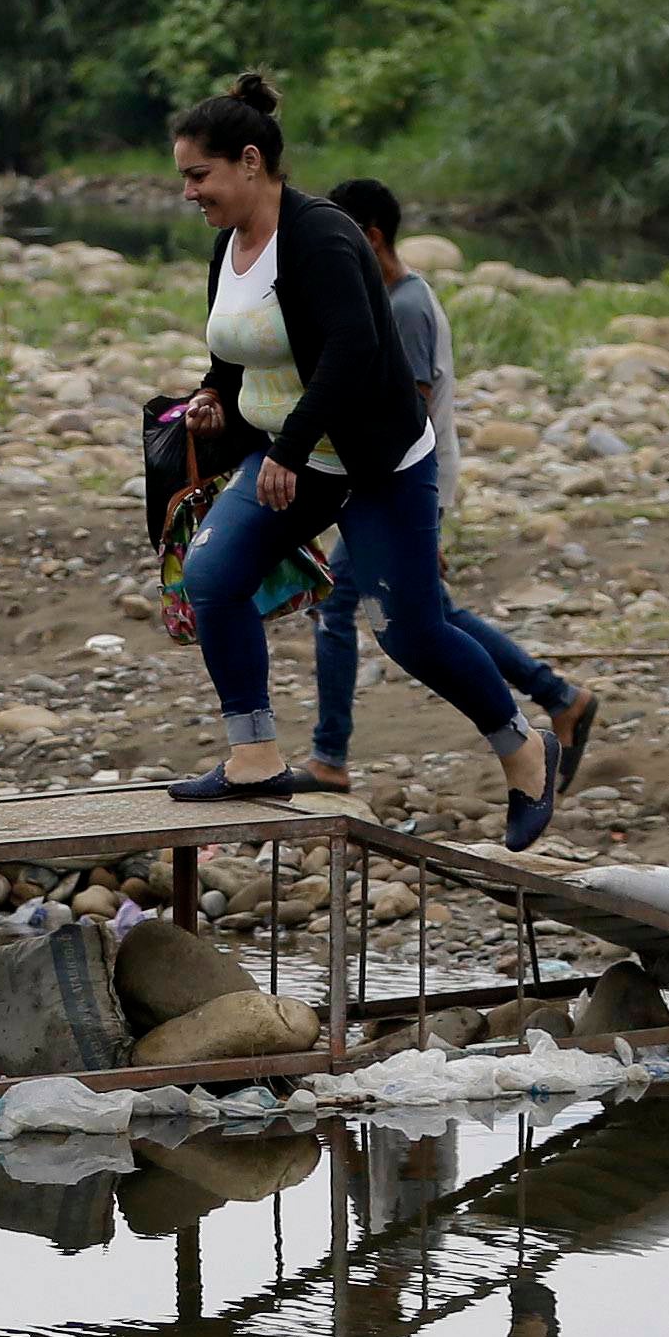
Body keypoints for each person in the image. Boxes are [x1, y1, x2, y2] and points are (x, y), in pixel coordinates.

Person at [160, 77, 551, 839]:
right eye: (184, 176)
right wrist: (212, 390)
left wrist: (291, 447)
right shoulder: (229, 244)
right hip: (294, 453)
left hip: (376, 461)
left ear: (249, 162)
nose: (187, 192)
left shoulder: (324, 236)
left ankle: (525, 746)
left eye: (197, 175)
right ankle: (255, 755)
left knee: (409, 631)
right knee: (211, 575)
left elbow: (353, 351)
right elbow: (235, 350)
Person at [307, 176, 594, 799]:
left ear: (371, 237)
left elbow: (402, 419)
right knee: (431, 612)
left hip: (406, 481)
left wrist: (411, 513)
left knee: (338, 605)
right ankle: (559, 697)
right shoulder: (392, 298)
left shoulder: (406, 307)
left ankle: (330, 756)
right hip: (403, 485)